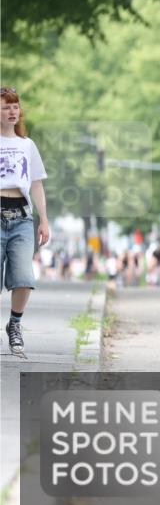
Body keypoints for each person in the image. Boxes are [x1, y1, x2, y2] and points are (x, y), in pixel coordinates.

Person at [1, 86, 51, 356]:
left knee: (23, 277)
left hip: (21, 217)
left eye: (15, 106)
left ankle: (15, 325)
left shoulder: (26, 145)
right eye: (6, 107)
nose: (11, 111)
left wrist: (44, 219)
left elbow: (37, 185)